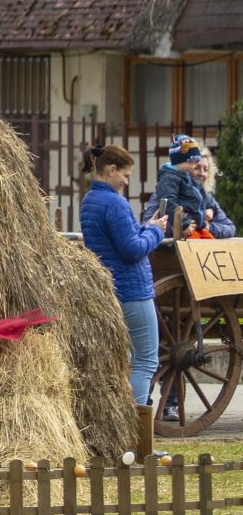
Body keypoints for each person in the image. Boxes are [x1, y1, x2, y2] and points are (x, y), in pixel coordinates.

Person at [79, 143, 167, 406]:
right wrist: (156, 231)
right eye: (125, 175)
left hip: (110, 288)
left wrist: (147, 227)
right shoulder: (115, 203)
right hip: (132, 290)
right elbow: (132, 250)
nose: (126, 182)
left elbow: (120, 240)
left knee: (125, 360)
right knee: (146, 360)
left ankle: (123, 419)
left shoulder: (89, 201)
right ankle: (136, 422)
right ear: (111, 169)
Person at [152, 135, 215, 235]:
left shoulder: (186, 176)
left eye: (195, 162)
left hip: (197, 227)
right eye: (189, 162)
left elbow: (202, 197)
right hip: (186, 229)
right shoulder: (168, 179)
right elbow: (170, 205)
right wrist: (183, 224)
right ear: (178, 159)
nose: (192, 166)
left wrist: (209, 211)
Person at [195, 158, 236, 238]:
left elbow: (230, 228)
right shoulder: (174, 195)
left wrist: (209, 227)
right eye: (197, 168)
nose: (202, 173)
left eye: (205, 169)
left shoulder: (208, 199)